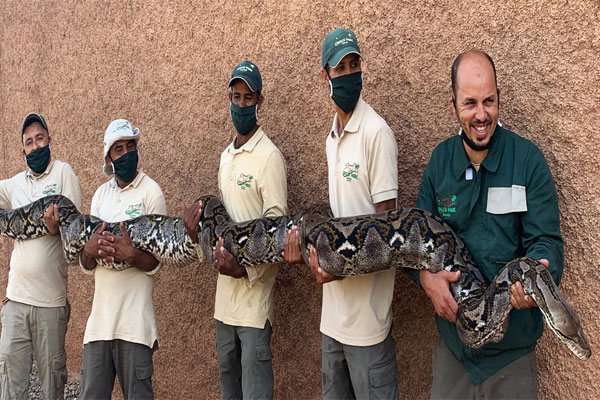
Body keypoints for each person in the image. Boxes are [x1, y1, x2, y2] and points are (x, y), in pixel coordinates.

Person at [414, 50, 564, 399]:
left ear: (499, 99)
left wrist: (539, 273)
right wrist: (424, 277)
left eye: (489, 101)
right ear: (453, 106)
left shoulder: (527, 161)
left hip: (511, 358)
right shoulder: (440, 163)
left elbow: (547, 241)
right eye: (470, 103)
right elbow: (413, 240)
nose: (481, 115)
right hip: (454, 353)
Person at [284, 28, 399, 399]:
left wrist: (337, 269)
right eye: (340, 68)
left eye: (354, 65)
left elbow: (388, 235)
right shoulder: (331, 139)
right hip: (332, 320)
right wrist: (308, 255)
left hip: (368, 325)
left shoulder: (376, 133)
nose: (349, 74)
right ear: (326, 75)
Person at [184, 61, 287, 399]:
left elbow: (277, 235)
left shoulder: (270, 157)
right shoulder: (225, 157)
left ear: (260, 101)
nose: (241, 104)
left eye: (248, 98)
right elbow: (217, 228)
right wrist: (194, 234)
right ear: (229, 99)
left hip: (254, 304)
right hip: (224, 304)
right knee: (229, 390)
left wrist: (244, 269)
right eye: (236, 97)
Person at [79, 119, 167, 400]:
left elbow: (157, 261)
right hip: (98, 326)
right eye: (119, 149)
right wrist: (88, 250)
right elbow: (88, 263)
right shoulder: (100, 196)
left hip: (135, 326)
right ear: (109, 158)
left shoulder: (151, 192)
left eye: (131, 146)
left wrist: (132, 255)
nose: (127, 153)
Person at [0, 113, 82, 400]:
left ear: (49, 140)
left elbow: (76, 237)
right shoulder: (14, 185)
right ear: (23, 150)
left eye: (40, 139)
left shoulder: (63, 173)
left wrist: (55, 229)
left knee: (51, 385)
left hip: (50, 302)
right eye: (29, 142)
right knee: (10, 385)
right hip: (16, 301)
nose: (35, 146)